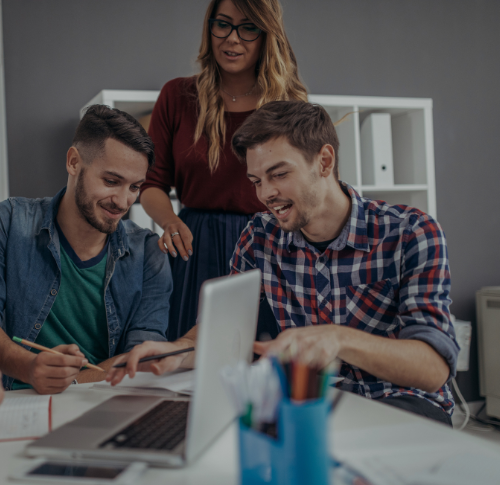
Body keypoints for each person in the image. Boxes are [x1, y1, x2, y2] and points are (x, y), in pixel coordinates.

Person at [109, 101, 459, 427]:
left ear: (324, 161)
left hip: (401, 404)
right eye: (257, 181)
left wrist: (338, 340)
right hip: (309, 405)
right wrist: (176, 352)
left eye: (279, 175)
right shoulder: (260, 236)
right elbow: (222, 332)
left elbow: (433, 368)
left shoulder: (411, 231)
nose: (265, 194)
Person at [139, 0, 308, 340]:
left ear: (266, 35)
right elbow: (152, 183)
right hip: (195, 248)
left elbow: (302, 188)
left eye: (247, 28)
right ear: (209, 27)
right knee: (190, 361)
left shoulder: (289, 104)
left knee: (264, 361)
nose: (232, 39)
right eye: (223, 24)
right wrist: (170, 221)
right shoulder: (176, 95)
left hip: (269, 247)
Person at [0, 104, 183, 394]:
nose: (123, 202)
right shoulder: (9, 223)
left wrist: (74, 382)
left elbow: (141, 357)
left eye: (135, 187)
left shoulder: (150, 253)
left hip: (100, 399)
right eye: (111, 181)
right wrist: (28, 368)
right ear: (73, 162)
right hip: (17, 401)